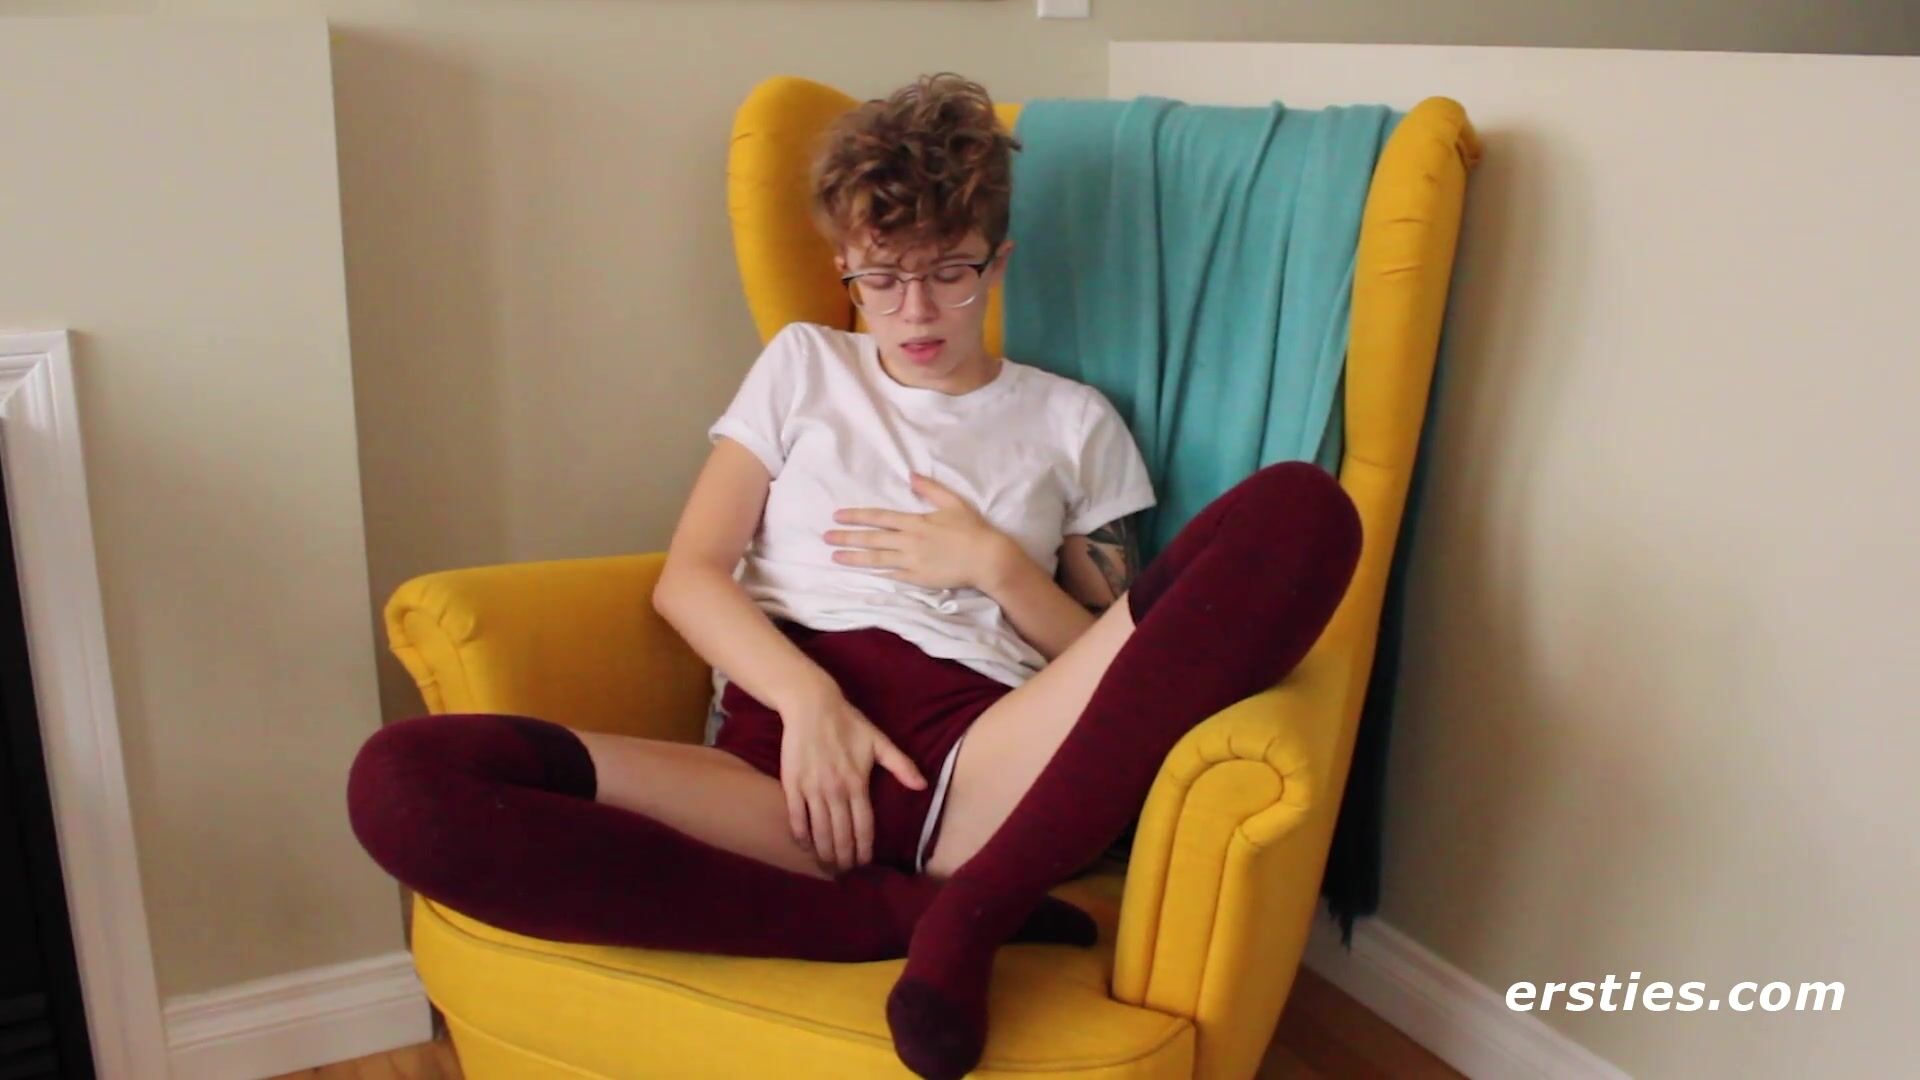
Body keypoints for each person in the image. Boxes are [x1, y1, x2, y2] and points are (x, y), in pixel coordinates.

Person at [347, 74, 1362, 1080]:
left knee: (1302, 510)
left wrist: (997, 568)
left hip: (983, 766)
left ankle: (973, 908)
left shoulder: (1073, 420)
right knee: (404, 785)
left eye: (950, 272)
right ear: (845, 266)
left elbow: (1124, 664)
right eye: (882, 278)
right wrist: (810, 702)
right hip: (777, 771)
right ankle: (895, 917)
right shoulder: (804, 366)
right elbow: (689, 577)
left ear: (997, 260)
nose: (916, 310)